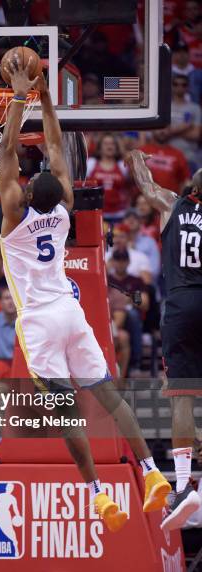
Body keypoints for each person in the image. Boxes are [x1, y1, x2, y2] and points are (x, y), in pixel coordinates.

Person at [0, 55, 171, 532]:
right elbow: (56, 146)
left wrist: (19, 94)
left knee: (66, 409)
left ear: (29, 193)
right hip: (72, 313)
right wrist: (47, 97)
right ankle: (152, 472)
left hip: (38, 318)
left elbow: (8, 151)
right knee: (110, 397)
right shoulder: (65, 210)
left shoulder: (16, 215)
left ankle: (97, 494)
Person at [126, 150, 202, 530]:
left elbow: (144, 183)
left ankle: (185, 484)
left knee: (182, 395)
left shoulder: (173, 203)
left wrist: (136, 157)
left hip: (182, 303)